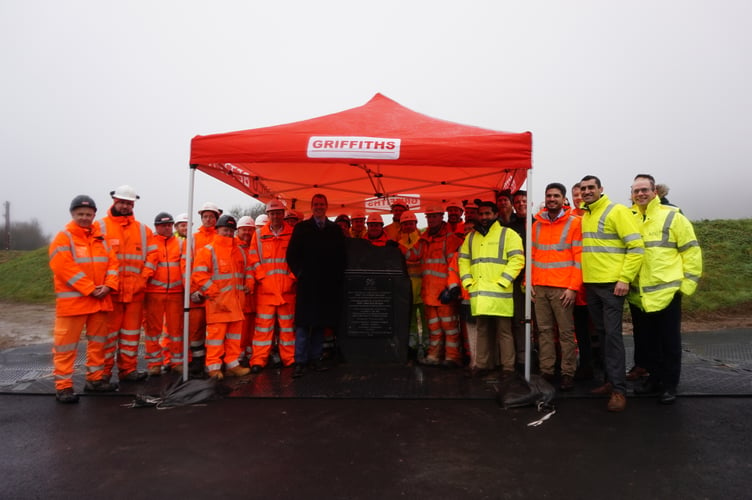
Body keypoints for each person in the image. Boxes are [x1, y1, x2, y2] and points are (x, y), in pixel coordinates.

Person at [628, 174, 702, 404]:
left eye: (644, 190)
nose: (640, 194)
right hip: (639, 295)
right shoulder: (629, 217)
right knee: (647, 342)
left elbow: (690, 250)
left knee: (668, 342)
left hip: (667, 292)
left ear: (655, 192)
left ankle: (669, 385)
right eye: (636, 190)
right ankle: (653, 380)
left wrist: (686, 285)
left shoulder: (672, 216)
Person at [579, 175, 645, 412]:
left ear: (600, 189)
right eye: (583, 188)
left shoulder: (616, 211)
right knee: (603, 334)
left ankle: (619, 390)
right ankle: (610, 381)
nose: (586, 191)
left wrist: (624, 278)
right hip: (593, 285)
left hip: (611, 286)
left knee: (613, 337)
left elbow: (636, 247)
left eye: (590, 188)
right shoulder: (586, 215)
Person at [49, 195, 119, 403]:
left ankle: (95, 380)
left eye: (88, 214)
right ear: (72, 214)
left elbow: (113, 265)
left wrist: (109, 285)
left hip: (99, 301)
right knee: (66, 347)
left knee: (98, 344)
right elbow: (64, 268)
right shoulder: (64, 238)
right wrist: (90, 289)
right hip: (74, 304)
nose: (85, 218)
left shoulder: (102, 239)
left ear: (94, 215)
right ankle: (63, 386)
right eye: (80, 214)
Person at [458, 201, 524, 378]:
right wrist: (468, 282)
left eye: (488, 213)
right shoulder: (471, 237)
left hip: (500, 292)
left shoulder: (508, 234)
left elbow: (517, 259)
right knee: (482, 330)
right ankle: (482, 364)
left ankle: (508, 367)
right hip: (479, 292)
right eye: (481, 214)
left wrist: (504, 281)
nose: (484, 217)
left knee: (504, 332)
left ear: (496, 214)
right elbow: (463, 260)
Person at [96, 185, 155, 383]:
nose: (125, 206)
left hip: (135, 293)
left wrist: (143, 277)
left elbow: (153, 255)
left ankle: (128, 370)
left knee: (131, 336)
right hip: (109, 294)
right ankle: (102, 373)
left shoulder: (143, 230)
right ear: (114, 202)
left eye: (128, 203)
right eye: (122, 202)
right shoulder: (100, 227)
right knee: (107, 336)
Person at [286, 193, 347, 378]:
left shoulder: (334, 230)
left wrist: (336, 279)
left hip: (326, 286)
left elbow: (341, 258)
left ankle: (315, 359)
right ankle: (300, 362)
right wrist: (300, 274)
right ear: (311, 207)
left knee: (320, 324)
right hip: (307, 284)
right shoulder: (301, 228)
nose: (319, 207)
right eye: (316, 204)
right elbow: (291, 255)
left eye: (322, 204)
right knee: (304, 325)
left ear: (326, 206)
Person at [530, 183, 583, 391]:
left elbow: (579, 259)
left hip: (563, 288)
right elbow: (532, 256)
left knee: (566, 333)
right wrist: (530, 282)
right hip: (540, 287)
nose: (552, 199)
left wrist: (572, 287)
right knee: (543, 331)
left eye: (556, 196)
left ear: (563, 199)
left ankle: (568, 372)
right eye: (549, 195)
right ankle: (547, 370)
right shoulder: (537, 225)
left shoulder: (574, 223)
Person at [191, 215, 251, 379]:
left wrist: (248, 285)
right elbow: (199, 275)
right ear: (217, 230)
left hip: (236, 304)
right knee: (215, 339)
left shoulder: (239, 252)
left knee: (233, 339)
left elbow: (248, 271)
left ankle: (233, 365)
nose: (228, 234)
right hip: (217, 304)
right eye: (226, 230)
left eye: (231, 231)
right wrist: (214, 293)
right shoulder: (207, 250)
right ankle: (213, 367)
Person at [405, 205, 464, 367]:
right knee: (434, 329)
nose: (431, 220)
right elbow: (411, 255)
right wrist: (395, 248)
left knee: (450, 328)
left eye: (434, 217)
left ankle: (452, 358)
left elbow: (456, 266)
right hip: (429, 294)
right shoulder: (425, 239)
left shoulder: (450, 239)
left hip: (444, 293)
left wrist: (451, 288)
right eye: (429, 217)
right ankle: (434, 356)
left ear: (441, 217)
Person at [248, 200, 297, 373]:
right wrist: (262, 278)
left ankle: (289, 359)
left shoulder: (293, 234)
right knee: (263, 328)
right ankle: (259, 360)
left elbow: (298, 260)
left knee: (287, 328)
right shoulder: (259, 234)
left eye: (278, 213)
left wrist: (291, 279)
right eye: (272, 213)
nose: (275, 216)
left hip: (287, 291)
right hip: (266, 292)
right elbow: (253, 260)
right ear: (267, 215)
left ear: (283, 214)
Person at [141, 212, 184, 375]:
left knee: (176, 330)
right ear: (156, 226)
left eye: (169, 225)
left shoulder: (180, 244)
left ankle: (176, 362)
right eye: (163, 225)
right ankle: (154, 364)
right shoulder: (150, 244)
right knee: (153, 331)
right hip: (153, 293)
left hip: (175, 293)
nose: (167, 228)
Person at [186, 201, 223, 376]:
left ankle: (214, 362)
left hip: (216, 293)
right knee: (196, 330)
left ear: (217, 218)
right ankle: (198, 363)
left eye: (211, 216)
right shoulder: (193, 238)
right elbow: (187, 266)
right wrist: (193, 291)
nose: (208, 219)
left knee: (217, 330)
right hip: (197, 294)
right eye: (205, 216)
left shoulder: (222, 236)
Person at [395, 210, 429, 362]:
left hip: (424, 288)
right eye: (405, 224)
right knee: (410, 322)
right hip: (406, 289)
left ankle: (428, 346)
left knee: (427, 321)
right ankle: (412, 346)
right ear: (401, 226)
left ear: (416, 224)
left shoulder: (423, 240)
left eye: (411, 223)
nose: (408, 226)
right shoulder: (395, 243)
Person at [235, 215, 257, 367]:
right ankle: (238, 353)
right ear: (238, 230)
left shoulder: (255, 246)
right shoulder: (234, 246)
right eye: (244, 229)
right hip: (238, 295)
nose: (247, 233)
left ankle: (250, 352)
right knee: (239, 327)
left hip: (254, 295)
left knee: (252, 326)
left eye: (250, 230)